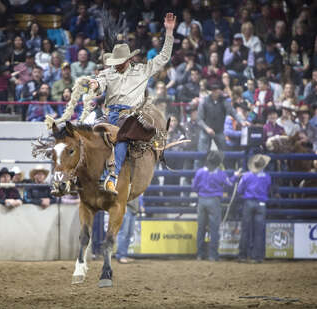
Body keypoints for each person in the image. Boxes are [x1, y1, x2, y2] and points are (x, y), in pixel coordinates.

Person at [88, 12, 176, 194]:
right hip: (110, 114)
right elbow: (99, 83)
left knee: (122, 138)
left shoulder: (142, 71)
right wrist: (95, 84)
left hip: (131, 116)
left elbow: (164, 57)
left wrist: (168, 33)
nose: (117, 65)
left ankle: (112, 176)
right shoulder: (108, 73)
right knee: (90, 135)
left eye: (121, 62)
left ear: (129, 60)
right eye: (116, 62)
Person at [192, 150, 240, 261]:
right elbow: (229, 184)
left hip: (202, 200)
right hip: (214, 201)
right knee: (214, 228)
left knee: (201, 228)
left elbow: (194, 187)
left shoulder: (200, 172)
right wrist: (235, 176)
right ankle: (213, 255)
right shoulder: (220, 173)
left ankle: (200, 254)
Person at [195, 83, 247, 169]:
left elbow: (233, 112)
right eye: (214, 90)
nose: (216, 91)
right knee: (201, 154)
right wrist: (207, 128)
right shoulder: (204, 101)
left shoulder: (224, 102)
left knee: (225, 154)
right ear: (211, 91)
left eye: (218, 89)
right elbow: (199, 119)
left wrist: (242, 121)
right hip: (206, 131)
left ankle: (228, 175)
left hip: (219, 130)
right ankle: (196, 175)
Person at [238, 154, 272, 263]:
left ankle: (242, 256)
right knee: (259, 232)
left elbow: (239, 190)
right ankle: (257, 257)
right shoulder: (267, 176)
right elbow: (269, 188)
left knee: (245, 230)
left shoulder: (246, 176)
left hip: (248, 202)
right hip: (261, 203)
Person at [116, 195, 143, 264]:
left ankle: (124, 255)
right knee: (123, 233)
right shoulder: (128, 184)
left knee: (129, 234)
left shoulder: (136, 185)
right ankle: (120, 256)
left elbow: (139, 197)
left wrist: (140, 205)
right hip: (126, 208)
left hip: (133, 210)